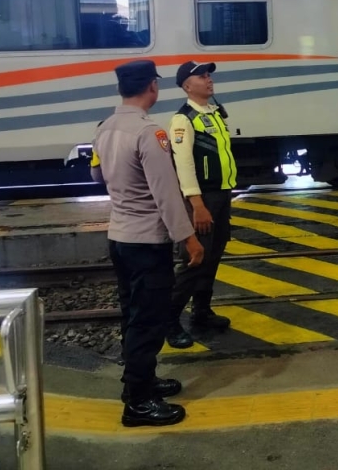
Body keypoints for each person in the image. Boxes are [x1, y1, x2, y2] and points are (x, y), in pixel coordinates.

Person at [90, 59, 204, 428]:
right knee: (149, 321)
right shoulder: (148, 132)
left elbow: (96, 175)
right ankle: (138, 403)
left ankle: (141, 382)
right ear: (152, 87)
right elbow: (166, 193)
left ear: (121, 88)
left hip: (120, 238)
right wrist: (188, 238)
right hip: (146, 243)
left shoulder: (105, 127)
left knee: (133, 316)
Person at [165, 61, 237, 349]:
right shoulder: (183, 120)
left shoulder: (213, 113)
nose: (209, 79)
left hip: (220, 196)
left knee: (213, 255)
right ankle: (169, 320)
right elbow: (183, 165)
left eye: (209, 75)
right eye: (202, 76)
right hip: (203, 199)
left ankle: (201, 311)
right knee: (196, 259)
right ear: (187, 86)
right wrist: (197, 204)